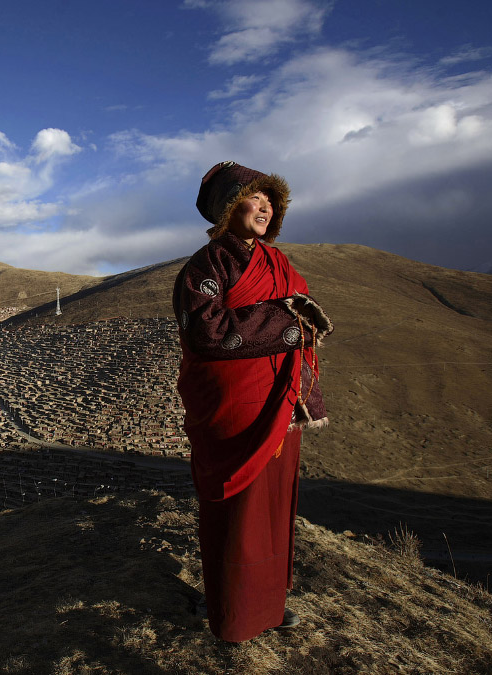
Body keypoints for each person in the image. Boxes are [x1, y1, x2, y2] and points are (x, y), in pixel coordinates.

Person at [172, 160, 334, 642]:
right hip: (233, 407)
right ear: (228, 207)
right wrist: (286, 322)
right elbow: (207, 333)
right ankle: (232, 609)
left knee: (273, 506)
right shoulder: (204, 267)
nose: (264, 208)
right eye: (254, 198)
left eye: (271, 201)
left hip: (278, 403)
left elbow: (303, 326)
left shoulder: (279, 263)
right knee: (238, 510)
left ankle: (269, 601)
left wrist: (304, 388)